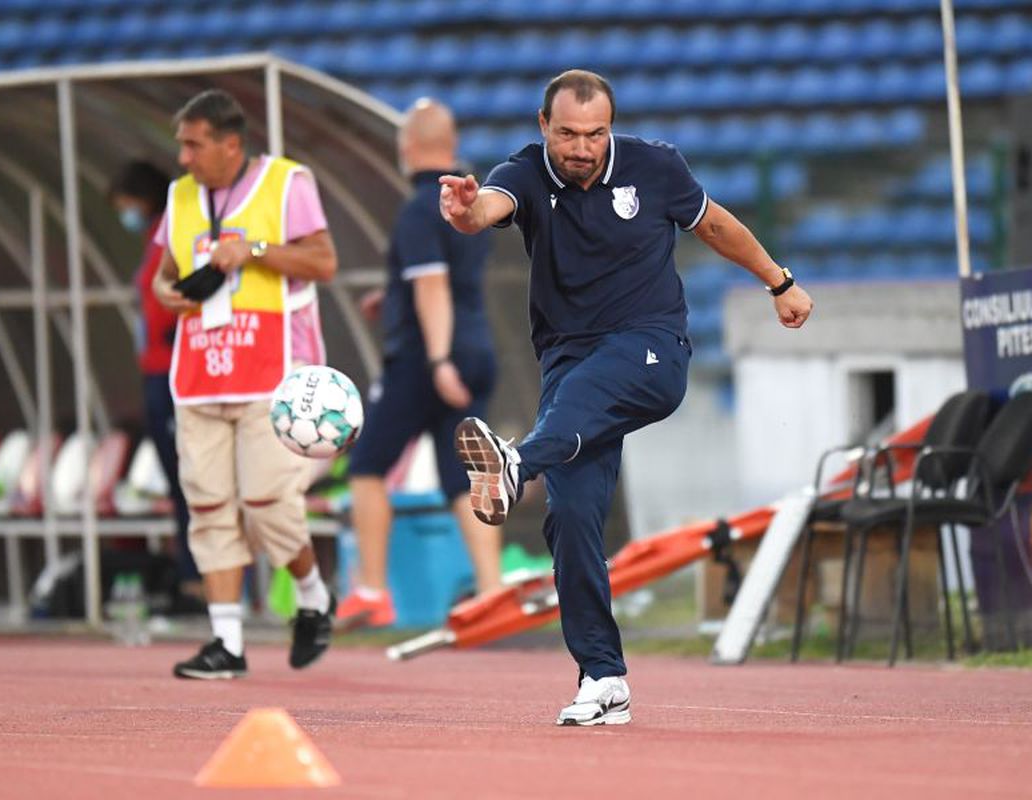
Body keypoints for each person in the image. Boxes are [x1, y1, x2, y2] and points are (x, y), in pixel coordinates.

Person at [439, 70, 813, 726]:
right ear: (542, 127)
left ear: (611, 127)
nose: (582, 148)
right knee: (574, 518)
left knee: (578, 405)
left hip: (650, 350)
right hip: (569, 363)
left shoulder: (655, 166)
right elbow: (486, 209)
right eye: (567, 135)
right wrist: (466, 211)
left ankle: (516, 464)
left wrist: (779, 282)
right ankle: (603, 676)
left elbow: (716, 225)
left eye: (595, 133)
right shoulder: (526, 174)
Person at [151, 89, 338, 679]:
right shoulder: (179, 196)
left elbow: (323, 262)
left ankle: (313, 595)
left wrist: (252, 250)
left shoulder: (287, 183)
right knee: (207, 506)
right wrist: (165, 293)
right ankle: (226, 643)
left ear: (231, 144)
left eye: (193, 144)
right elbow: (164, 272)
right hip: (202, 371)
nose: (183, 157)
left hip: (271, 370)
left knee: (265, 502)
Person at [338, 99, 502, 630]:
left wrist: (436, 360)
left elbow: (432, 287)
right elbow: (446, 280)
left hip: (426, 359)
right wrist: (392, 299)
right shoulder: (467, 203)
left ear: (406, 148)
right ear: (451, 147)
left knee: (365, 466)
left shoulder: (417, 208)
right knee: (465, 475)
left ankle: (371, 590)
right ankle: (492, 591)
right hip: (475, 348)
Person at [108, 160, 203, 613]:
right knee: (179, 481)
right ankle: (190, 578)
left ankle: (202, 582)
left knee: (193, 480)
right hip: (156, 370)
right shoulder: (155, 238)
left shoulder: (176, 231)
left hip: (173, 371)